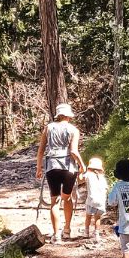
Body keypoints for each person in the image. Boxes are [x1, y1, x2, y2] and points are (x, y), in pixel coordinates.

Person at [36, 103, 86, 243]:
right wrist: (82, 165)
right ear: (69, 116)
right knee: (67, 198)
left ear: (58, 115)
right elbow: (74, 151)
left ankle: (56, 234)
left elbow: (40, 151)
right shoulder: (73, 130)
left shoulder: (48, 128)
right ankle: (67, 230)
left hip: (52, 166)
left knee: (54, 200)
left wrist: (39, 168)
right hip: (69, 167)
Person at [83, 156, 108, 242]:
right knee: (97, 218)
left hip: (91, 200)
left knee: (88, 216)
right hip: (101, 201)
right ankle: (96, 234)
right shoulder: (102, 178)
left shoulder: (88, 174)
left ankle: (86, 232)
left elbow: (81, 179)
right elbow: (106, 189)